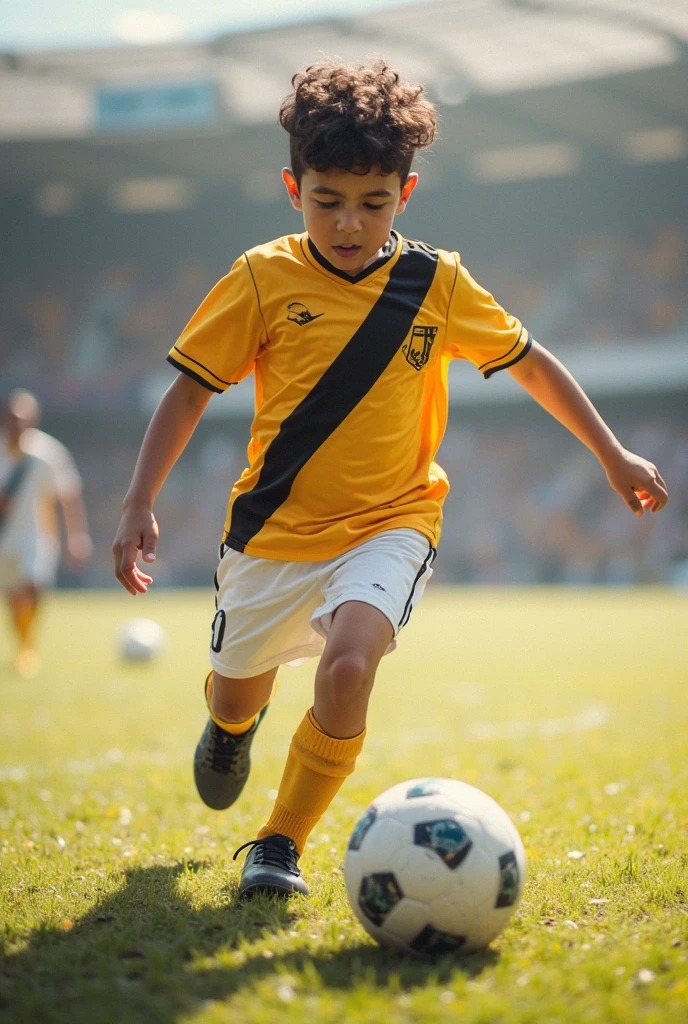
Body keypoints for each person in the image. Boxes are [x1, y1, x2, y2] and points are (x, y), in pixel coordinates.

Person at [112, 61, 668, 898]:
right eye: (326, 199)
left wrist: (611, 452)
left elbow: (531, 363)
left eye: (372, 204)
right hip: (271, 535)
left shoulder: (436, 282)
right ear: (292, 187)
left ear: (405, 194)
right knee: (236, 693)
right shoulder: (261, 279)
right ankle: (231, 726)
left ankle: (279, 843)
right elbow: (190, 390)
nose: (348, 223)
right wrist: (138, 500)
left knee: (347, 669)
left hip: (393, 521)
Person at [1, 390, 92, 677]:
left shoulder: (47, 453)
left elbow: (68, 495)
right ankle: (23, 642)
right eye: (13, 417)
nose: (17, 423)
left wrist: (77, 536)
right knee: (13, 596)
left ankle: (28, 647)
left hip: (37, 536)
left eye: (23, 418)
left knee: (33, 586)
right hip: (5, 539)